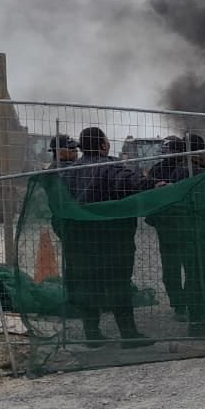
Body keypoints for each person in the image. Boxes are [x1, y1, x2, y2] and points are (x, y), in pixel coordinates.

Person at [59, 127, 162, 348]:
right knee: (118, 284)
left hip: (78, 240)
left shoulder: (68, 172)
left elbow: (58, 203)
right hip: (112, 239)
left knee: (88, 283)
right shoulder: (107, 166)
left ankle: (92, 334)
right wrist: (153, 184)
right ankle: (128, 334)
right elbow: (128, 182)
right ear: (102, 145)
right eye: (106, 141)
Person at [145, 134, 205, 334]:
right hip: (183, 230)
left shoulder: (192, 172)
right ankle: (189, 313)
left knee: (199, 272)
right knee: (185, 270)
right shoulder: (175, 172)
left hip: (191, 230)